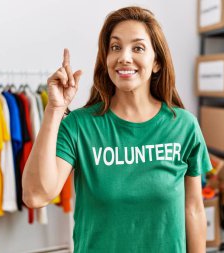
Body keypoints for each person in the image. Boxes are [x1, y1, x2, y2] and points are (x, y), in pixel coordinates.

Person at [22, 6, 212, 253]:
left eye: (138, 48)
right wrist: (54, 110)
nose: (124, 56)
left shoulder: (184, 126)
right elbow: (36, 196)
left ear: (156, 63)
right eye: (115, 47)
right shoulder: (80, 126)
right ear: (106, 59)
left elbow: (194, 209)